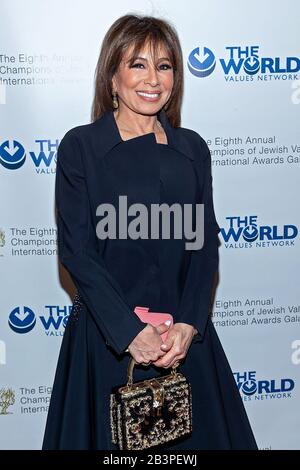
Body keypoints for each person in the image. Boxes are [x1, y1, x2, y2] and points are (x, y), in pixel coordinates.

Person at [42, 14, 258, 450]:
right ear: (112, 77)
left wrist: (189, 323)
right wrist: (128, 332)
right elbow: (78, 251)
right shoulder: (81, 147)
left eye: (164, 66)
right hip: (109, 338)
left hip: (182, 341)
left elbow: (204, 244)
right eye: (137, 64)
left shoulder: (192, 148)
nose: (153, 79)